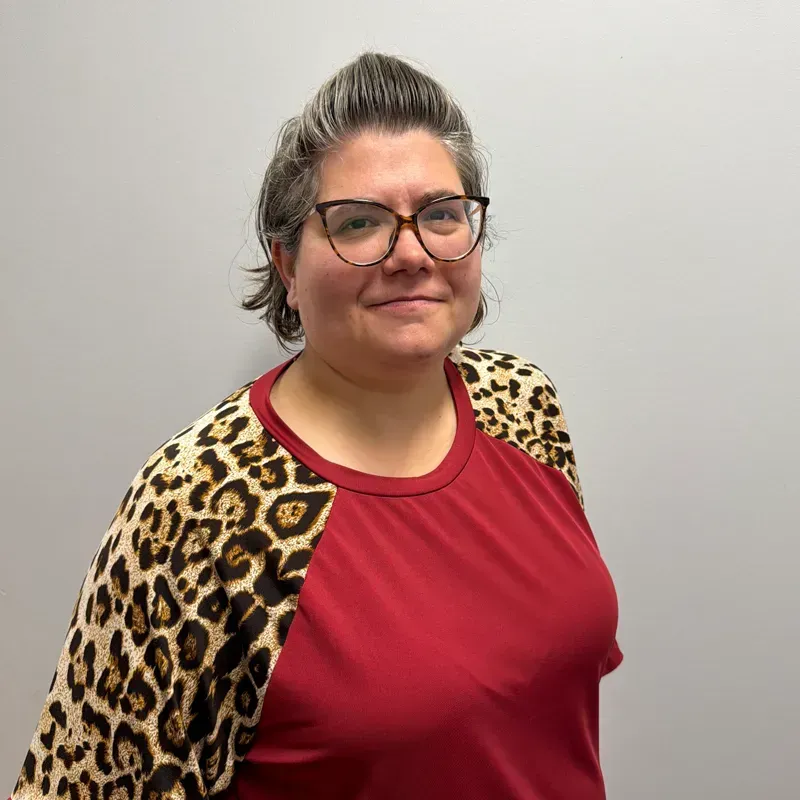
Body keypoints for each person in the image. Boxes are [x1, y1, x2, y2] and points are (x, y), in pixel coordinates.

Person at [12, 52, 622, 800]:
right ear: (287, 266)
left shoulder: (523, 406)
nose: (411, 253)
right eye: (358, 223)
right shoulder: (195, 503)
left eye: (440, 214)